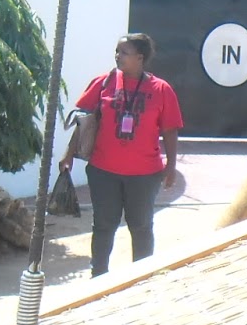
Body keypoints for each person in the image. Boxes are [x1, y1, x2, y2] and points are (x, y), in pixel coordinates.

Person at [60, 33, 185, 277]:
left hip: (144, 174)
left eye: (124, 52)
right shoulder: (104, 83)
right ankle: (98, 276)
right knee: (104, 225)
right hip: (103, 170)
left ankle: (142, 277)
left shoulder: (161, 89)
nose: (118, 56)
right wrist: (68, 155)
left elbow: (170, 130)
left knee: (141, 226)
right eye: (117, 51)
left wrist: (170, 165)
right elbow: (84, 121)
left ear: (140, 58)